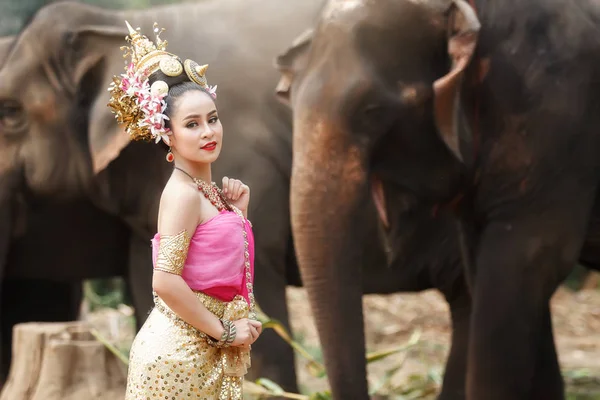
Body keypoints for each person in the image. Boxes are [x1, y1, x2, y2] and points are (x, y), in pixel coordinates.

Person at [107, 21, 262, 399]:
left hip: (203, 351)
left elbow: (220, 271)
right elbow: (165, 281)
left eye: (212, 118)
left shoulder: (204, 192)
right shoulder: (181, 195)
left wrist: (238, 216)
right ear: (168, 135)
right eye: (192, 124)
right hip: (177, 360)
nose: (208, 131)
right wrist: (225, 332)